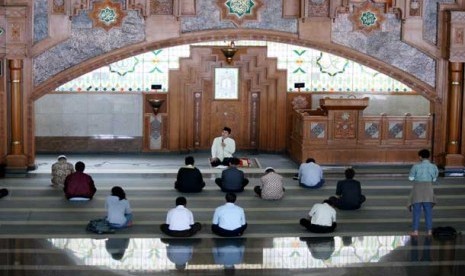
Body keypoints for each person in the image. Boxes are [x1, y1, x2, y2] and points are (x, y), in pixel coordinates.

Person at [408, 149, 438, 236]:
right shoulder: (433, 166)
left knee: (416, 211)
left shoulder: (416, 166)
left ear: (420, 156)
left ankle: (415, 231)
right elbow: (434, 179)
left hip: (418, 188)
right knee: (428, 211)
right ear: (428, 156)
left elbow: (411, 178)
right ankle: (429, 231)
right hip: (428, 189)